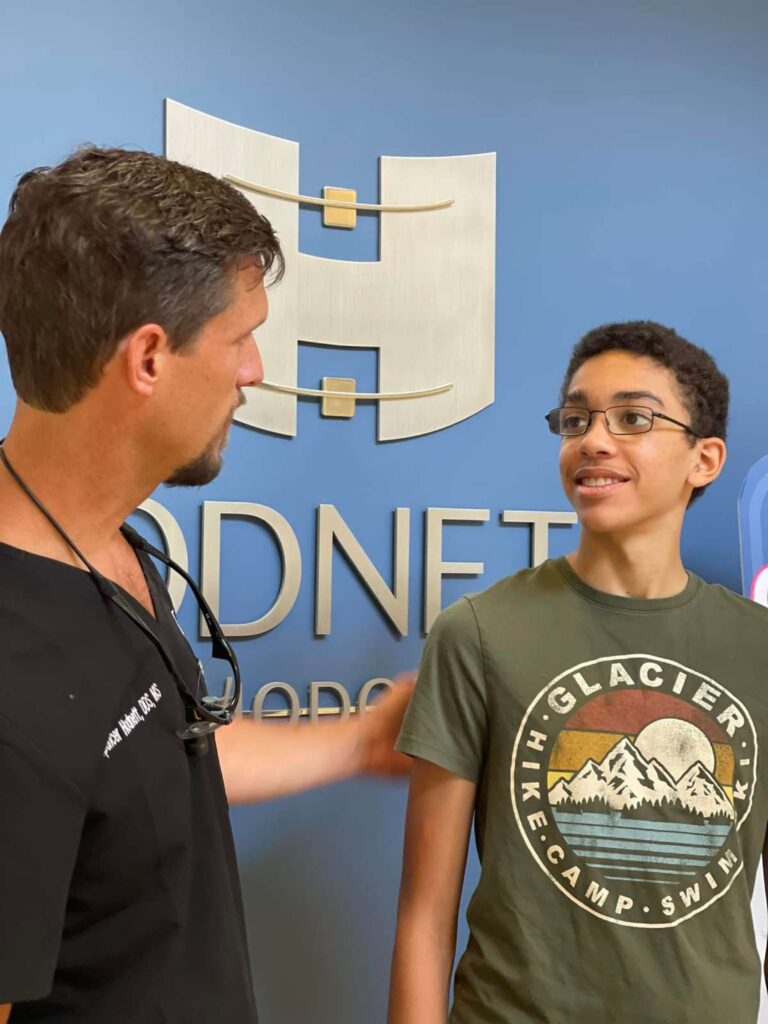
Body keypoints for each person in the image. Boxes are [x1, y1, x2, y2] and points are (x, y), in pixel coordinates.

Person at [0, 146, 412, 1023]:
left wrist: (359, 742)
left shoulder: (106, 545)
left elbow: (149, 763)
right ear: (149, 358)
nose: (254, 371)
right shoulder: (12, 675)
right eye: (240, 337)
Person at [389, 321, 768, 1024]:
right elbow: (424, 914)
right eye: (576, 418)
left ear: (705, 459)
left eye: (633, 418)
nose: (593, 440)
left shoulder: (760, 648)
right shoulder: (479, 633)